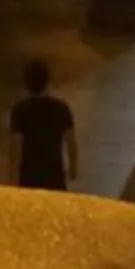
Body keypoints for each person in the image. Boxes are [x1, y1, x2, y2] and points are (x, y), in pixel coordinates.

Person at [8, 57, 78, 191]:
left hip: (29, 177)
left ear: (26, 82)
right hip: (54, 176)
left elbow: (15, 148)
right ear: (47, 81)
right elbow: (71, 143)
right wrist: (73, 169)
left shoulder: (20, 110)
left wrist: (13, 177)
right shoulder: (61, 108)